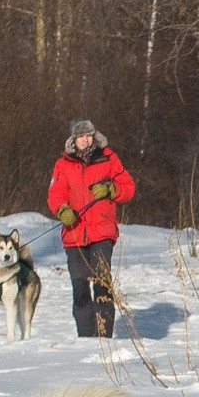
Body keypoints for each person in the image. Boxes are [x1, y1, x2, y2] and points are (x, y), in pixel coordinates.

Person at [46, 118, 136, 338]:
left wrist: (111, 190)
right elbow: (55, 194)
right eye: (81, 137)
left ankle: (104, 338)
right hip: (74, 234)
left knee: (102, 285)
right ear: (73, 140)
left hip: (102, 232)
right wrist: (62, 210)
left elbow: (129, 187)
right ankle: (86, 339)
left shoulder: (108, 158)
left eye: (89, 136)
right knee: (80, 288)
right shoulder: (63, 165)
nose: (86, 140)